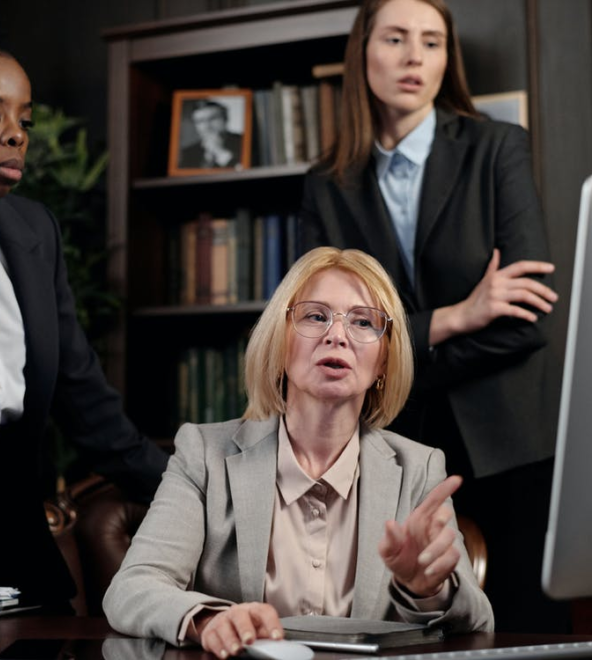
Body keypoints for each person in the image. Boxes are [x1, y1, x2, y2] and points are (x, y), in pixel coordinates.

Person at [298, 0, 565, 633]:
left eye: (432, 41)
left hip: (510, 447)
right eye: (395, 38)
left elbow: (528, 321)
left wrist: (393, 349)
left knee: (526, 634)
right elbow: (321, 330)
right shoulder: (327, 183)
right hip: (388, 447)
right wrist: (460, 314)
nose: (415, 56)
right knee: (404, 634)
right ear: (363, 51)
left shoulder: (497, 148)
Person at [0, 0, 169, 610]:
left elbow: (84, 397)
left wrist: (190, 493)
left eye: (24, 120)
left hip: (14, 535)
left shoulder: (32, 231)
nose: (15, 134)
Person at [103, 247, 494, 658]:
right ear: (280, 343)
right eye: (316, 316)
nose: (337, 335)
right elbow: (132, 587)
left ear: (383, 361)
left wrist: (427, 590)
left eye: (363, 322)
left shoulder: (418, 469)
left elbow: (479, 624)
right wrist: (208, 621)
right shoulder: (204, 454)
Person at [178, 99, 243, 169]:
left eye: (212, 118)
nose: (207, 126)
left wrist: (220, 152)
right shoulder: (188, 152)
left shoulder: (244, 142)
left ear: (226, 119)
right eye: (200, 121)